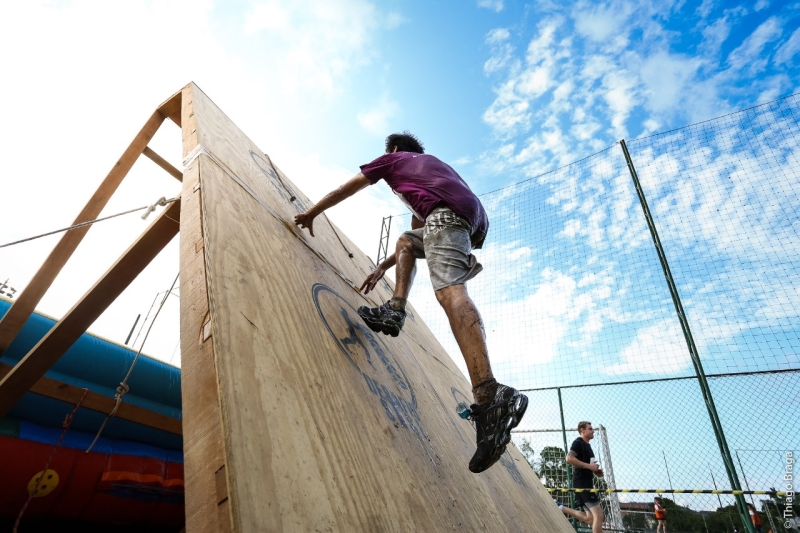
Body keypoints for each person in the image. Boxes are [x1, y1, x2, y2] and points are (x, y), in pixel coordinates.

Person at [294, 131, 528, 473]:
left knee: (450, 292)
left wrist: (312, 212)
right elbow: (416, 240)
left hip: (448, 216)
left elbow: (347, 189)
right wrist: (382, 267)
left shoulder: (393, 160)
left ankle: (489, 394)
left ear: (394, 149)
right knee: (406, 240)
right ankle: (395, 309)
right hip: (468, 220)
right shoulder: (430, 173)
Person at [556, 421, 604, 533]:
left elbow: (587, 465)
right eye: (590, 429)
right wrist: (589, 466)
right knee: (599, 515)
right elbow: (569, 458)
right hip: (582, 483)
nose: (593, 431)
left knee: (590, 519)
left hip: (587, 482)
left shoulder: (588, 446)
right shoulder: (578, 442)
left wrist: (595, 470)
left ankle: (561, 507)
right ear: (582, 430)